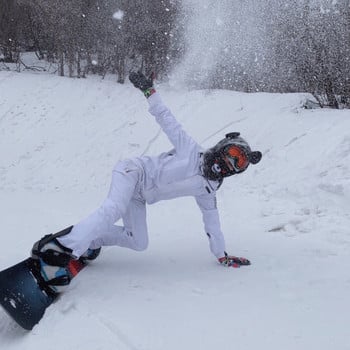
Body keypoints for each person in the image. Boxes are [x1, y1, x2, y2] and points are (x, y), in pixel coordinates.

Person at [31, 71, 262, 293]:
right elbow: (166, 117)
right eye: (233, 154)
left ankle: (91, 241)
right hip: (133, 172)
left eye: (239, 163)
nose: (231, 163)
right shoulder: (190, 150)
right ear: (223, 147)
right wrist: (149, 90)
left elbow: (212, 223)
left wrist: (222, 254)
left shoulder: (207, 190)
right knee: (113, 208)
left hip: (139, 196)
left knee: (138, 241)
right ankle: (61, 248)